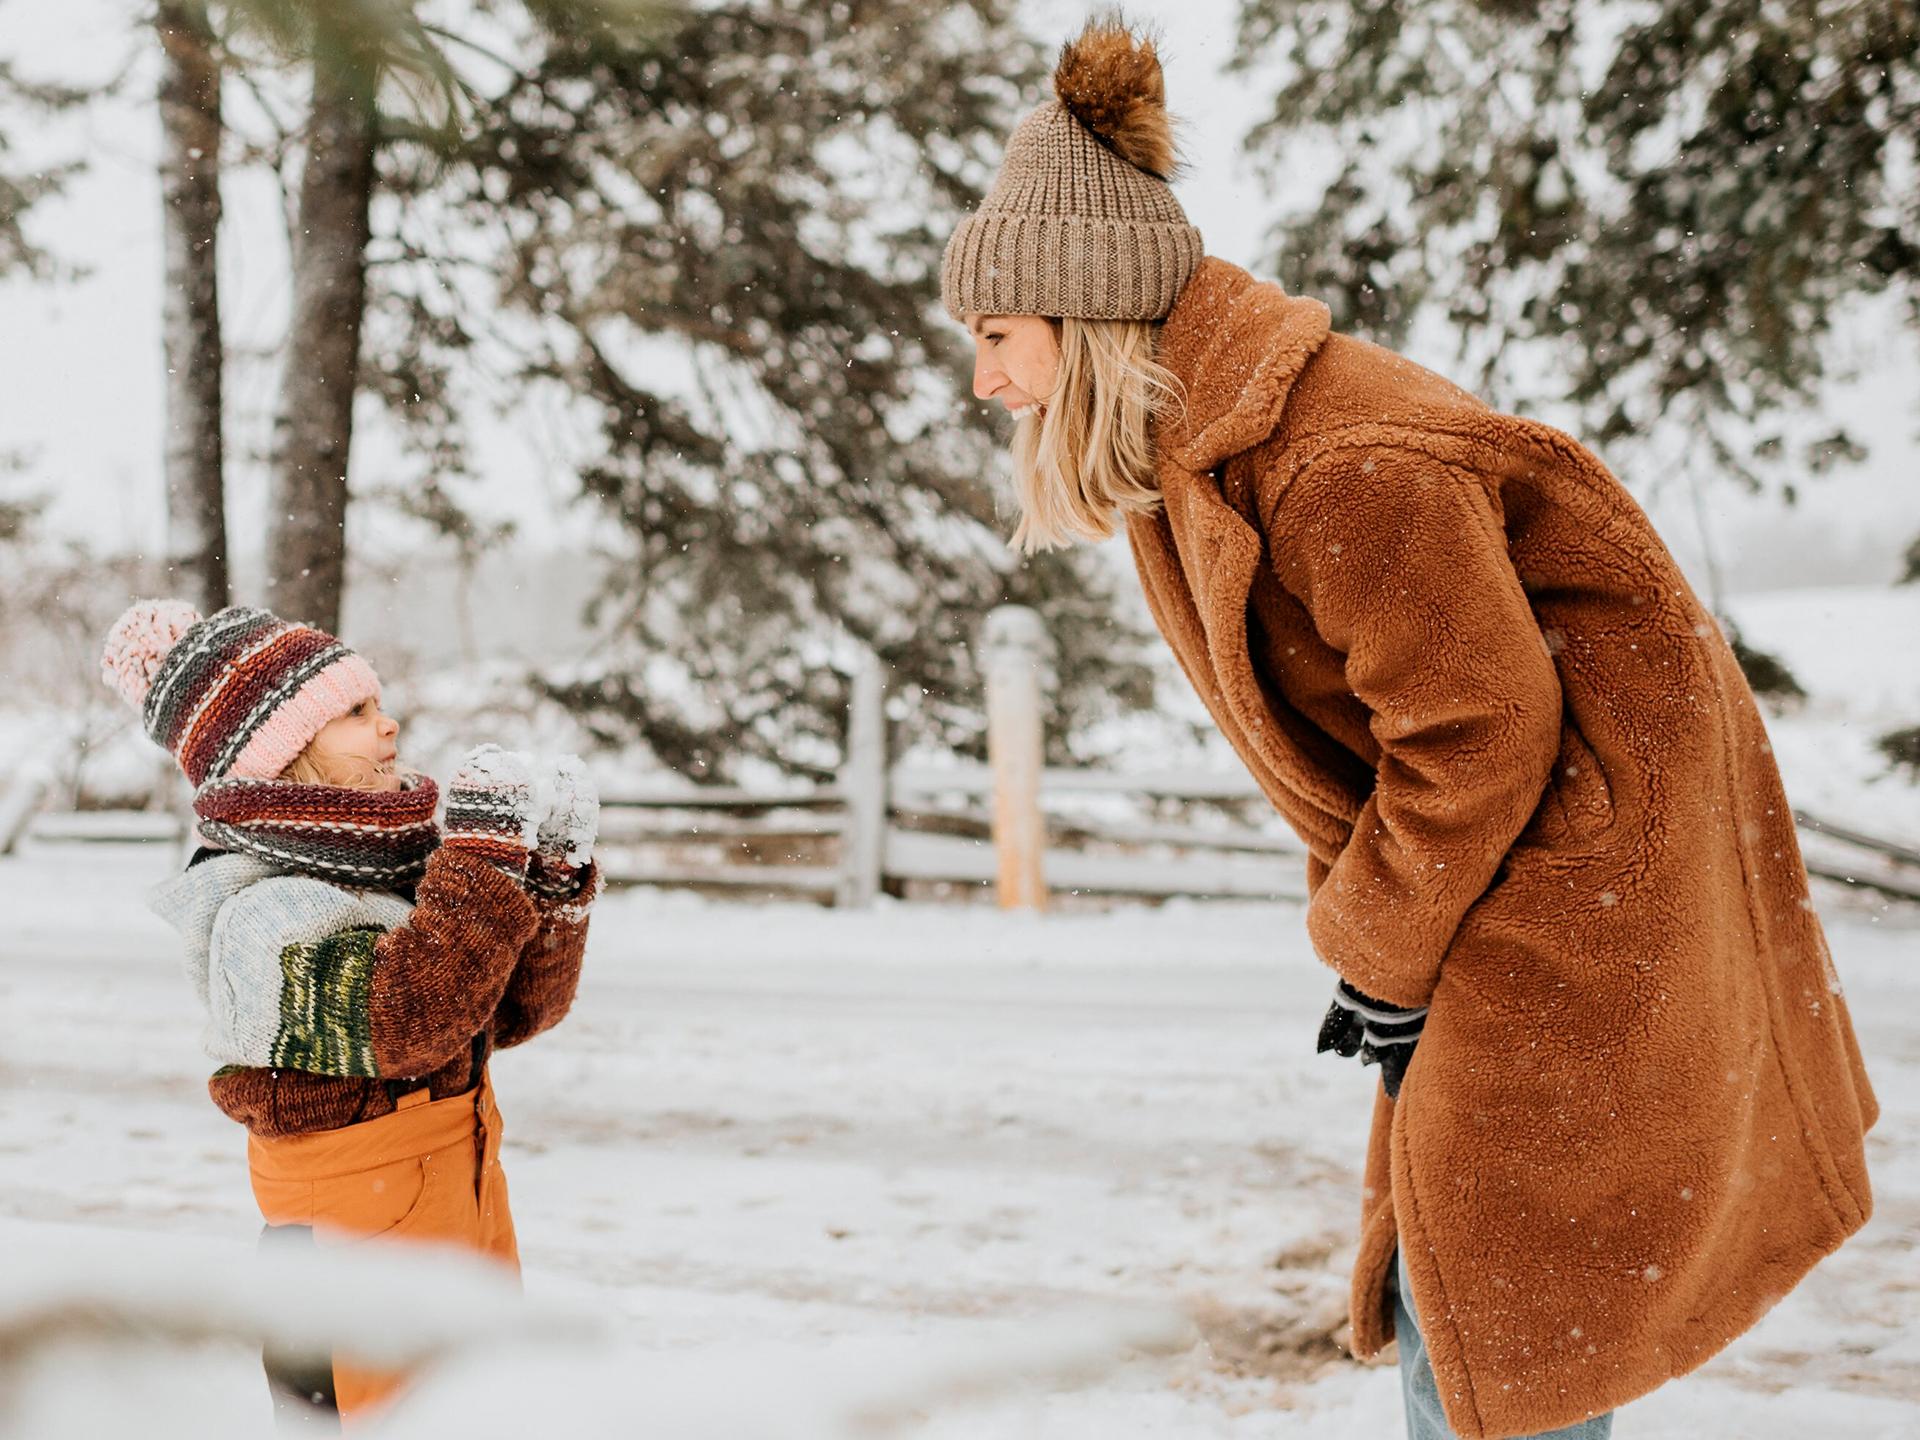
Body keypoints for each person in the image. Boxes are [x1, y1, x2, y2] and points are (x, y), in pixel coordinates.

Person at [939, 21, 1876, 1440]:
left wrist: (1378, 943)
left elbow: (1480, 730)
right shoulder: (1217, 442)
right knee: (1495, 1272)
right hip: (1509, 856)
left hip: (1577, 857)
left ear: (1082, 315)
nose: (986, 382)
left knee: (1504, 1277)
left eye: (997, 339)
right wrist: (1388, 941)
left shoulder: (1337, 462)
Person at [101, 599, 602, 1425]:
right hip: (349, 1264)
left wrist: (547, 881)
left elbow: (507, 1013)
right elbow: (410, 1022)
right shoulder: (258, 918)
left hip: (460, 1214)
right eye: (358, 714)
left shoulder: (385, 881)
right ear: (283, 754)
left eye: (379, 704)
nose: (391, 726)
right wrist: (478, 863)